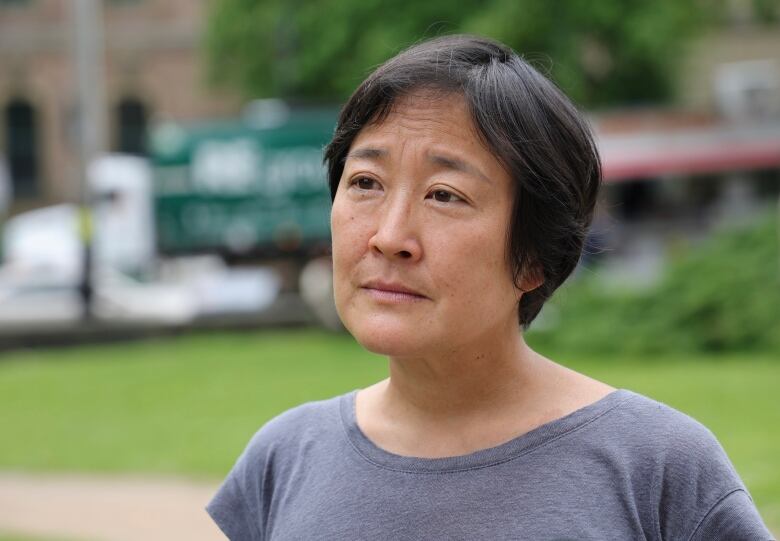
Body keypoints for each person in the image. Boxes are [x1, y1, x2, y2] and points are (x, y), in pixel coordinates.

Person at [207, 35, 773, 540]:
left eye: (444, 195)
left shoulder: (657, 468)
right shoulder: (285, 458)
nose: (389, 236)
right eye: (365, 182)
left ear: (532, 259)